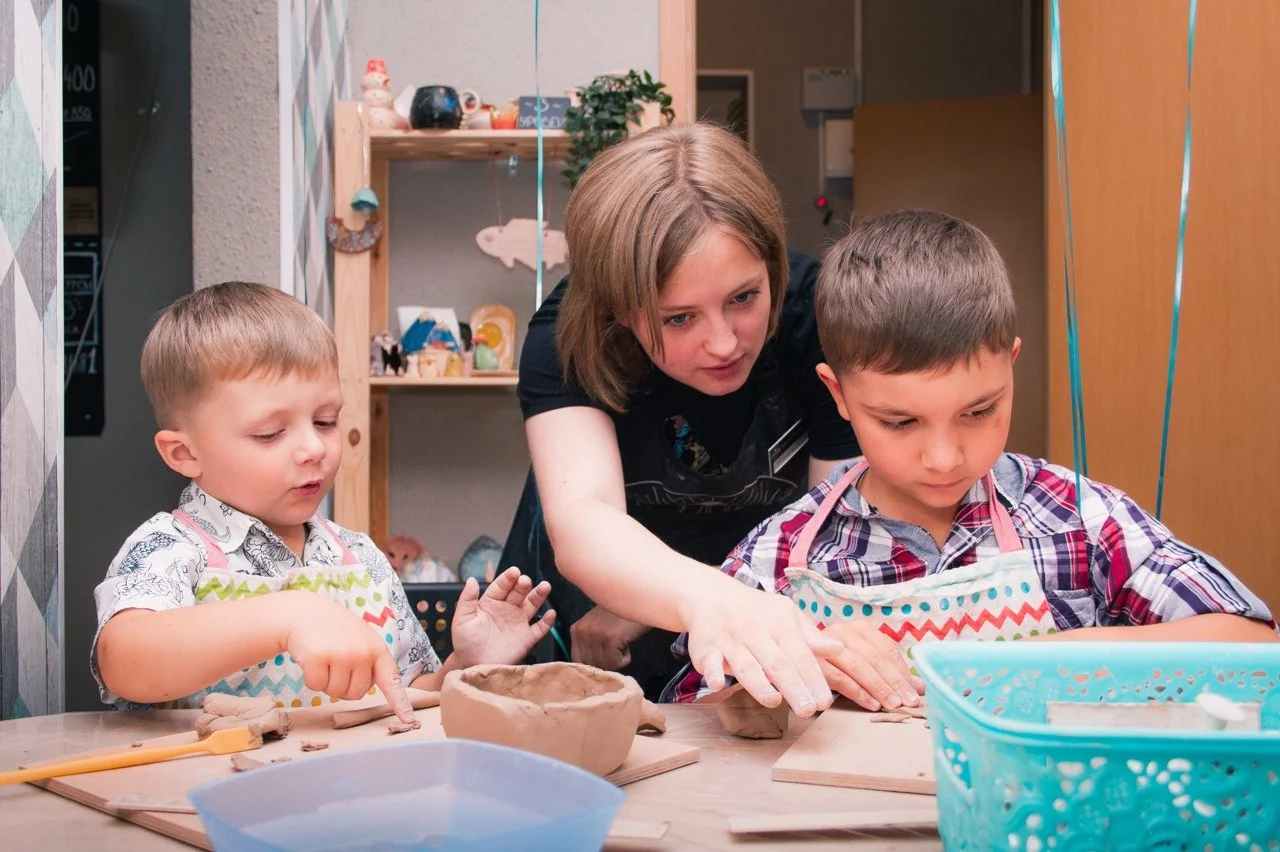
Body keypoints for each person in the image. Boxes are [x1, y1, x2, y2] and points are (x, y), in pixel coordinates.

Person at [666, 209, 1277, 705]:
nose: (943, 457)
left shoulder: (1080, 521)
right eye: (899, 422)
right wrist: (794, 674)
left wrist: (1023, 664)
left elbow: (1252, 645)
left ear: (1011, 368)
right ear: (839, 395)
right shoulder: (778, 558)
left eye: (978, 412)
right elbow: (694, 710)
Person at [501, 122, 858, 710]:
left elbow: (839, 531)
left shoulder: (819, 317)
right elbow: (585, 518)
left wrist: (717, 596)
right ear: (618, 308)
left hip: (766, 597)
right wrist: (681, 599)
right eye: (679, 318)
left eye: (744, 298)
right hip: (595, 615)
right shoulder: (567, 335)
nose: (724, 343)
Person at [93, 282, 554, 719]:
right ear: (184, 454)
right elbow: (123, 660)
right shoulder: (173, 548)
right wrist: (288, 614)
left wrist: (466, 666)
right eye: (269, 433)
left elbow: (407, 693)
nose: (314, 448)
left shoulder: (361, 559)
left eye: (326, 421)